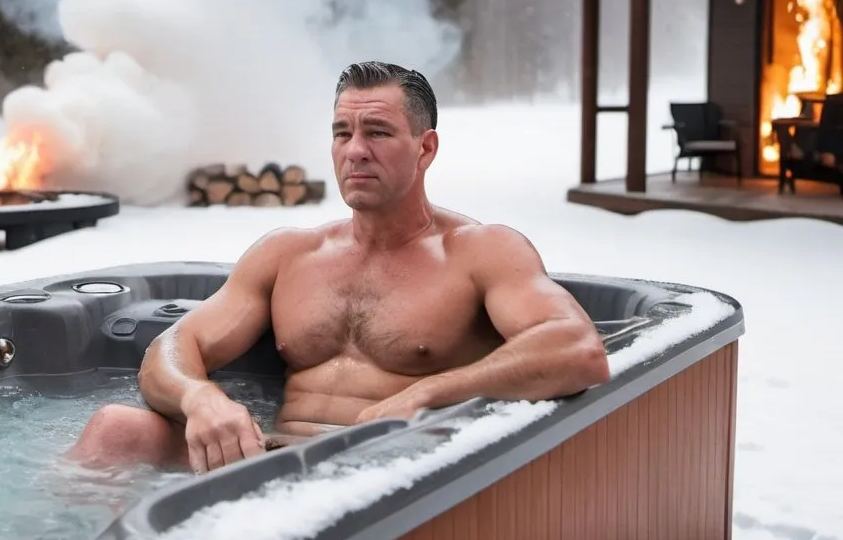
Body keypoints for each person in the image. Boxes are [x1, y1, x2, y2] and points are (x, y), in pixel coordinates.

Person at [67, 61, 609, 474]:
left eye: (377, 132)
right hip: (270, 458)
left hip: (389, 473)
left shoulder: (479, 251)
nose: (355, 151)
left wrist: (428, 392)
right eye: (341, 133)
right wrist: (201, 398)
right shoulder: (289, 254)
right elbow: (170, 349)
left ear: (426, 148)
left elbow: (577, 349)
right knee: (114, 429)